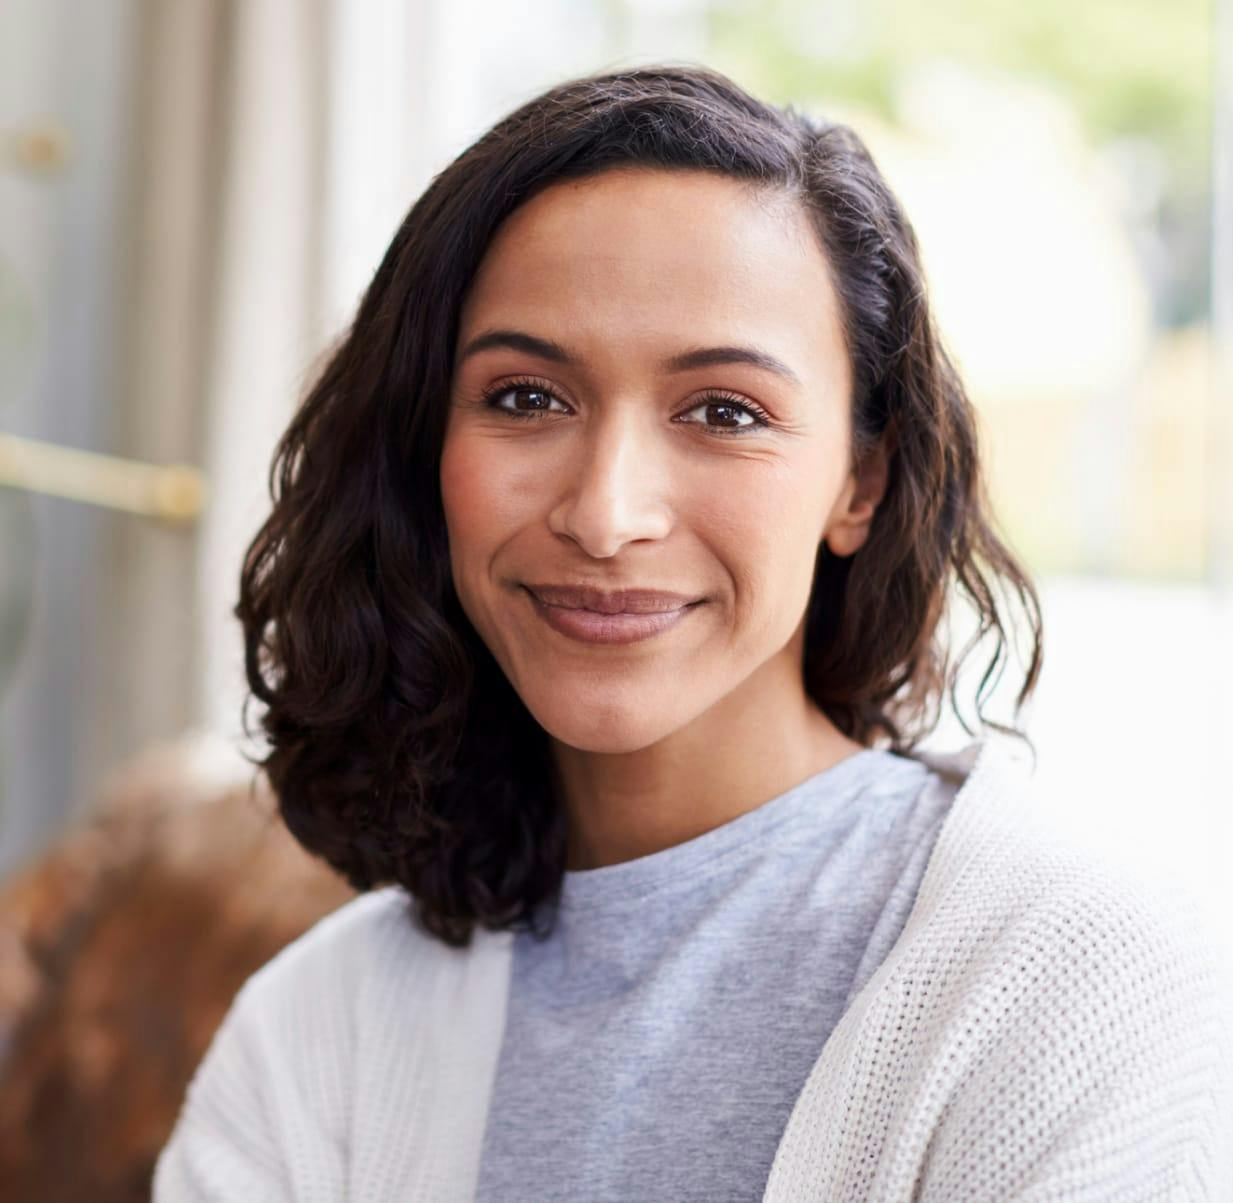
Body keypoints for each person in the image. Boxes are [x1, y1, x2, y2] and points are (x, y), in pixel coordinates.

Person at [152, 64, 1233, 1201]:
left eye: (725, 412)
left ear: (859, 482)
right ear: (429, 451)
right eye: (526, 397)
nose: (606, 514)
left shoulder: (1080, 975)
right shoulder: (319, 1030)